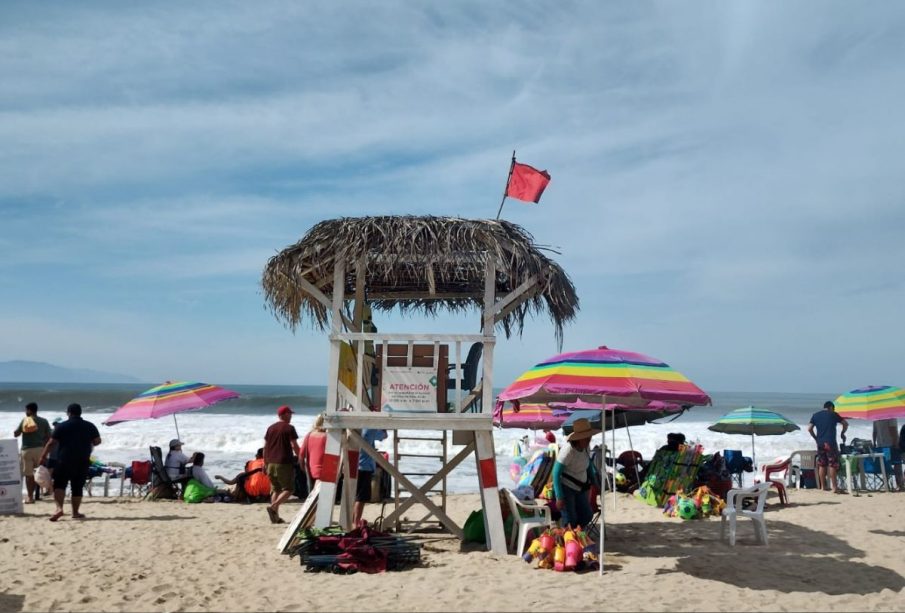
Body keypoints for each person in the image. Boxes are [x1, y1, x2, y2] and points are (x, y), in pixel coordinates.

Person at [38, 403, 101, 521]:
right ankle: (75, 513)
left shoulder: (62, 426)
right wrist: (86, 442)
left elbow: (51, 443)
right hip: (82, 460)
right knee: (77, 486)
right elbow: (97, 441)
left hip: (64, 459)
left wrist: (43, 456)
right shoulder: (89, 425)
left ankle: (59, 509)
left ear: (69, 413)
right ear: (80, 413)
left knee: (59, 485)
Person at [552, 418, 601, 529]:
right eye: (586, 437)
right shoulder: (568, 451)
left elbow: (587, 464)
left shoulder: (586, 447)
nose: (589, 439)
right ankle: (570, 537)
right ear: (579, 438)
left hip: (581, 488)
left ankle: (574, 533)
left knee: (587, 515)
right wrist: (559, 497)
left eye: (589, 436)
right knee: (571, 519)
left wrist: (594, 482)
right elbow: (555, 473)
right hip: (566, 487)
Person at [263, 405, 301, 524]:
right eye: (289, 414)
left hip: (270, 462)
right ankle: (274, 506)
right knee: (289, 489)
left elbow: (265, 447)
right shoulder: (289, 428)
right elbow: (294, 445)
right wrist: (300, 457)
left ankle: (275, 517)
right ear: (284, 415)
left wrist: (265, 462)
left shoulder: (270, 428)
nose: (291, 417)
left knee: (276, 490)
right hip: (283, 462)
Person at [13, 401, 51, 504]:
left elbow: (16, 434)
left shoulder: (25, 420)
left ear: (29, 410)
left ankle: (30, 497)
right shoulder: (44, 421)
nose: (25, 412)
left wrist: (18, 431)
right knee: (40, 472)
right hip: (40, 449)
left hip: (27, 450)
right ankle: (43, 492)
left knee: (29, 475)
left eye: (26, 410)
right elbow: (49, 436)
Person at [808, 400, 848, 493]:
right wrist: (842, 433)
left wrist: (816, 438)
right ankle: (834, 487)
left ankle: (823, 487)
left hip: (820, 443)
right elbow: (845, 424)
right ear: (831, 407)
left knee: (822, 464)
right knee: (832, 464)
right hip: (830, 443)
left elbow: (809, 429)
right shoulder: (833, 414)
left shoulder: (815, 415)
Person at [352, 428, 388, 527]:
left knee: (353, 496)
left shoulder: (357, 427)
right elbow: (384, 436)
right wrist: (383, 426)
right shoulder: (369, 428)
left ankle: (352, 520)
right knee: (361, 498)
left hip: (353, 464)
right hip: (365, 466)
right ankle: (356, 522)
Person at [872, 417, 904, 491]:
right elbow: (892, 429)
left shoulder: (876, 417)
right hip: (891, 445)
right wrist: (896, 443)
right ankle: (900, 485)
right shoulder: (891, 416)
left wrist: (874, 443)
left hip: (881, 446)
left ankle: (887, 484)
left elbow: (874, 432)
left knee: (886, 465)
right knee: (897, 464)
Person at [299, 413, 327, 491]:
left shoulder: (308, 435)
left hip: (311, 470)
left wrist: (303, 468)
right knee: (319, 493)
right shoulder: (327, 436)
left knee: (314, 492)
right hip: (324, 470)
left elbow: (301, 455)